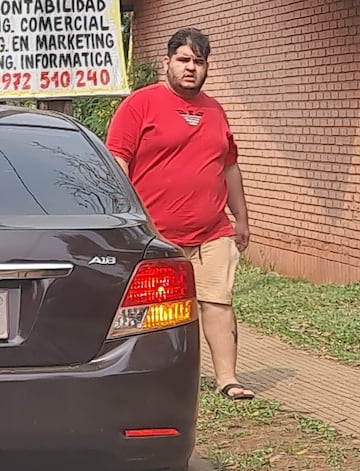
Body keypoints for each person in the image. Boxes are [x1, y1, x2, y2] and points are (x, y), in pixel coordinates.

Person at [106, 28, 254, 400]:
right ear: (167, 62)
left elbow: (229, 167)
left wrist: (241, 218)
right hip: (155, 234)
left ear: (207, 67)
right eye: (184, 60)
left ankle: (228, 380)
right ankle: (143, 376)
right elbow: (117, 160)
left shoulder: (215, 110)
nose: (191, 68)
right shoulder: (140, 105)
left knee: (219, 301)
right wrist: (129, 217)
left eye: (198, 62)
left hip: (212, 230)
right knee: (150, 310)